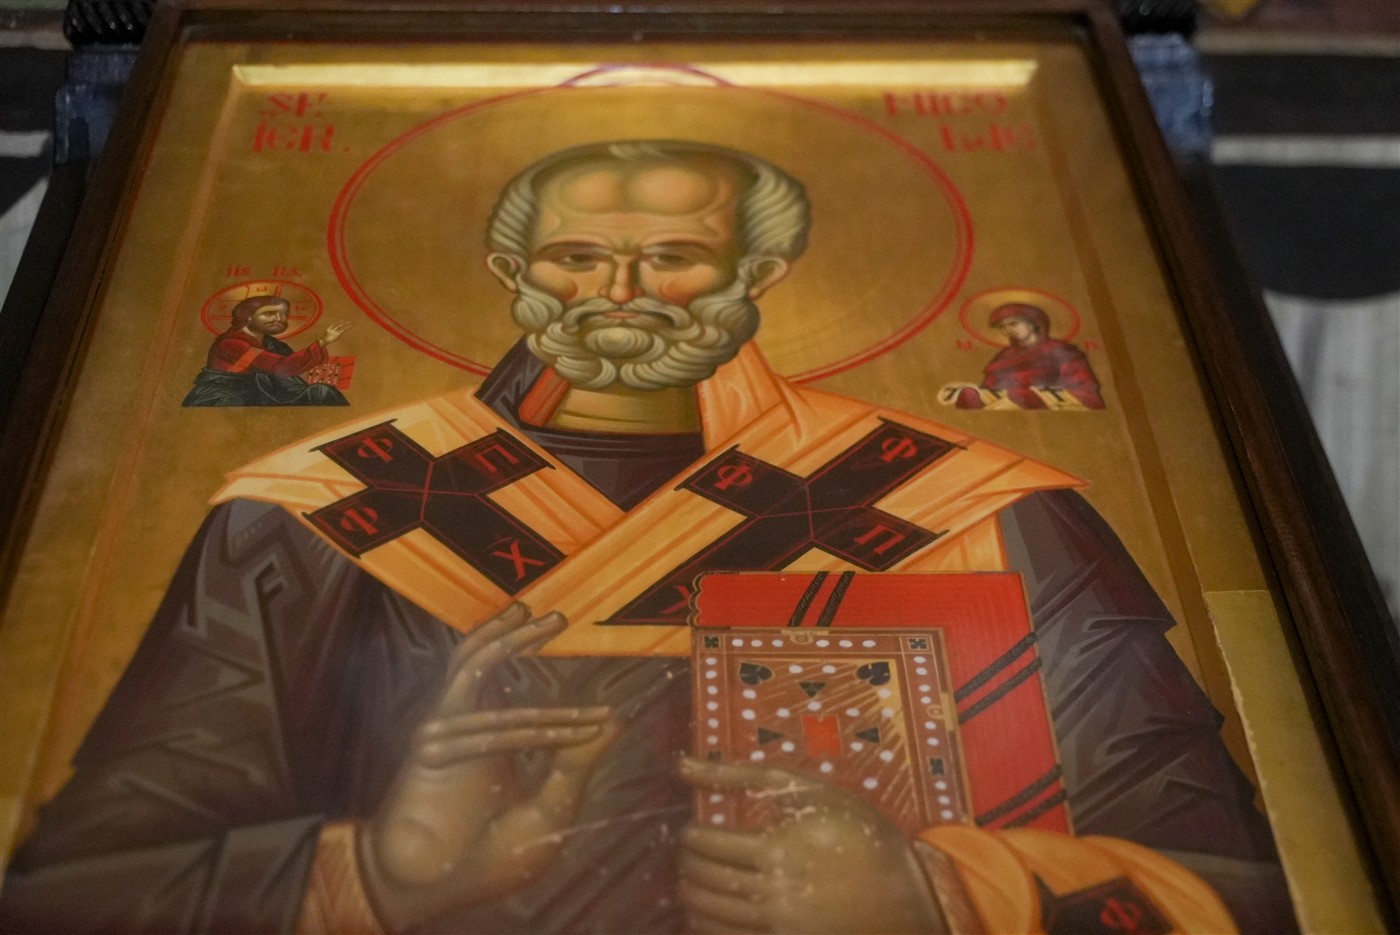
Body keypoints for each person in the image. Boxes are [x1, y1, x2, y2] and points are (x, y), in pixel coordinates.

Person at [0, 141, 1292, 934]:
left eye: (673, 257)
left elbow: (1250, 890)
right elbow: (73, 893)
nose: (617, 294)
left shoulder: (980, 511)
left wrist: (942, 900)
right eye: (574, 258)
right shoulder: (327, 510)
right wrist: (372, 877)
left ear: (759, 274)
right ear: (514, 274)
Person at [182, 295, 353, 407]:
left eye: (283, 314)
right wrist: (323, 342)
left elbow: (294, 369)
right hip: (227, 397)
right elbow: (281, 367)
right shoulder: (232, 343)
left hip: (263, 392)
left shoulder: (272, 344)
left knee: (321, 392)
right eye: (269, 314)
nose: (279, 319)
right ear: (248, 317)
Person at [950, 302, 1105, 410]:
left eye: (1013, 324)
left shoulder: (1060, 351)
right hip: (1006, 409)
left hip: (1046, 408)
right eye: (1003, 327)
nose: (1008, 330)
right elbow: (990, 389)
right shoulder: (1004, 357)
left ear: (1032, 323)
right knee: (968, 395)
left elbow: (1085, 393)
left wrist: (1026, 396)